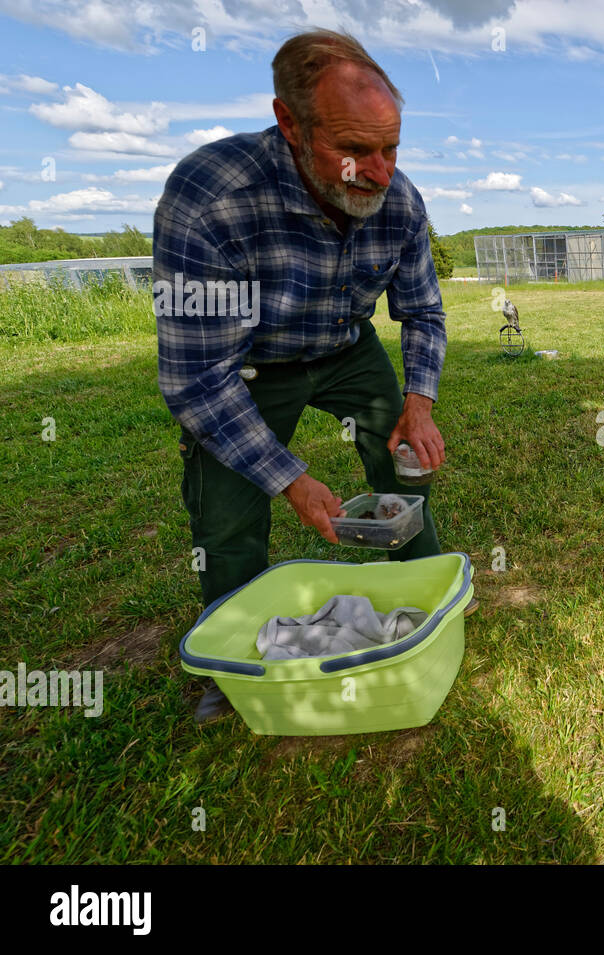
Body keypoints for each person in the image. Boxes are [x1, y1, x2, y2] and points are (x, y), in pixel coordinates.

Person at [154, 29, 471, 723]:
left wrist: (419, 402)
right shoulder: (210, 199)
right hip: (243, 365)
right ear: (289, 122)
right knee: (229, 506)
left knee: (404, 460)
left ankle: (424, 606)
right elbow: (194, 379)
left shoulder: (401, 203)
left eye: (391, 149)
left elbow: (421, 312)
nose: (379, 172)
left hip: (344, 344)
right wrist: (291, 478)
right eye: (353, 150)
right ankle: (235, 660)